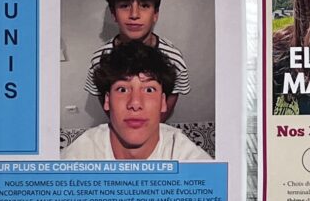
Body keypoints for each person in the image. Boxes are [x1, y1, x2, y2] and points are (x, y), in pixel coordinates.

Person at [63, 39, 210, 161]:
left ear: (163, 102)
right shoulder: (79, 155)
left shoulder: (184, 155)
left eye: (149, 90)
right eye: (122, 89)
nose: (135, 103)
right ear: (107, 100)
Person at [80, 0, 190, 104]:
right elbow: (103, 97)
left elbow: (171, 97)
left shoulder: (174, 58)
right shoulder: (99, 59)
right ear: (114, 14)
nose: (134, 15)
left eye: (144, 5)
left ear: (155, 14)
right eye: (125, 5)